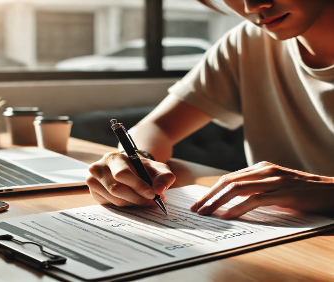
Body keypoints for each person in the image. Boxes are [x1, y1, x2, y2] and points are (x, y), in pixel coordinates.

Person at [86, 0, 334, 219]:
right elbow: (159, 126)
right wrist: (137, 160)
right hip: (280, 236)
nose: (251, 6)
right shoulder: (247, 42)